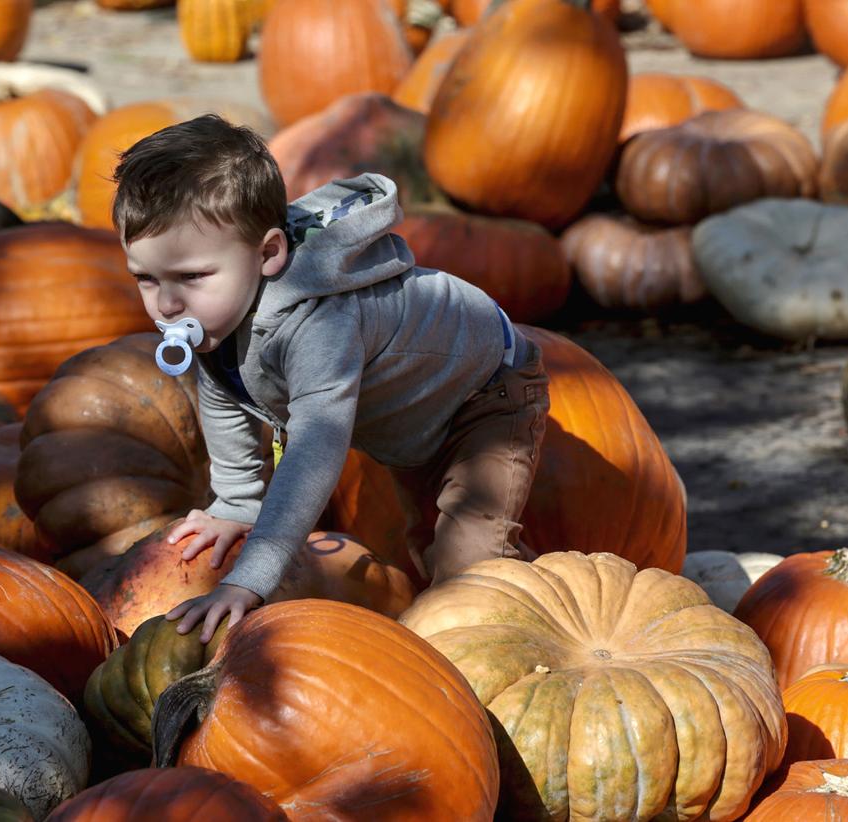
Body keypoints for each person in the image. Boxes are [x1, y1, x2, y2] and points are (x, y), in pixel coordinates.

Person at [112, 114, 549, 643]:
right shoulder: (215, 313)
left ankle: (527, 656)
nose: (166, 303)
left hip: (486, 391)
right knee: (425, 546)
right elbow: (224, 393)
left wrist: (250, 578)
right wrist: (235, 499)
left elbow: (315, 449)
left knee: (471, 567)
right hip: (415, 416)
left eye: (191, 277)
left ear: (269, 253)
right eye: (145, 278)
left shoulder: (321, 324)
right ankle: (506, 617)